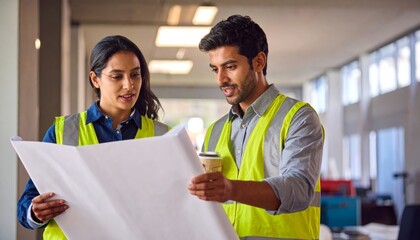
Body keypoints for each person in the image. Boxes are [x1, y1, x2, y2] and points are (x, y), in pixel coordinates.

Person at [17, 35, 169, 239]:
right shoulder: (63, 132)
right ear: (95, 79)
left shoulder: (163, 136)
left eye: (135, 75)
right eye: (117, 76)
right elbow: (29, 200)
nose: (129, 85)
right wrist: (35, 213)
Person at [188, 15, 324, 240]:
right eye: (215, 69)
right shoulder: (214, 131)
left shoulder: (298, 117)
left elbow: (299, 190)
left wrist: (231, 189)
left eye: (230, 66)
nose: (221, 79)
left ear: (259, 62)